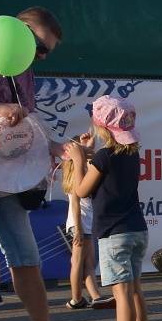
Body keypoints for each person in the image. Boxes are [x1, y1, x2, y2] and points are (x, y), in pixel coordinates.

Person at [0, 6, 90, 321]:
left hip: (8, 173)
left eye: (46, 53)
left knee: (26, 256)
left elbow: (29, 118)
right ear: (19, 32)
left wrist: (55, 146)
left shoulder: (23, 69)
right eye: (41, 48)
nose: (40, 56)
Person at [64, 96, 150, 321]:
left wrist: (79, 160)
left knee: (121, 293)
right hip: (137, 229)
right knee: (135, 289)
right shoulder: (130, 153)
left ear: (101, 126)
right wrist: (88, 153)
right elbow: (102, 171)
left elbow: (80, 190)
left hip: (114, 233)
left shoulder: (104, 156)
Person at [61, 131, 108, 310]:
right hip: (79, 224)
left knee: (88, 263)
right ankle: (76, 298)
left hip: (86, 224)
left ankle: (95, 296)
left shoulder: (83, 170)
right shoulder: (75, 176)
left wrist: (88, 145)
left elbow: (90, 158)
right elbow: (75, 205)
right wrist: (79, 229)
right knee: (78, 262)